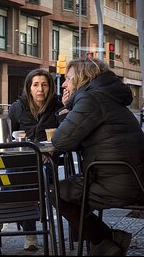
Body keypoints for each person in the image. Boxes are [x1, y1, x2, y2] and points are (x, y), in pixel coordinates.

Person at [51, 57, 144, 256]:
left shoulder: (91, 99)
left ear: (82, 77)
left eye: (68, 78)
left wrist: (66, 108)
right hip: (131, 177)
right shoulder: (108, 96)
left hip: (118, 182)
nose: (65, 84)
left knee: (55, 192)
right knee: (68, 188)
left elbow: (60, 141)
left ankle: (106, 240)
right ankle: (105, 240)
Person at [8, 68, 63, 251]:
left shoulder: (58, 106)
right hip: (21, 161)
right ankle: (29, 232)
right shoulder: (17, 108)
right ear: (29, 88)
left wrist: (52, 154)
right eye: (36, 85)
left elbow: (67, 138)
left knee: (23, 180)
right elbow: (9, 139)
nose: (40, 89)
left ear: (50, 87)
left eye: (44, 85)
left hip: (46, 164)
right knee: (15, 175)